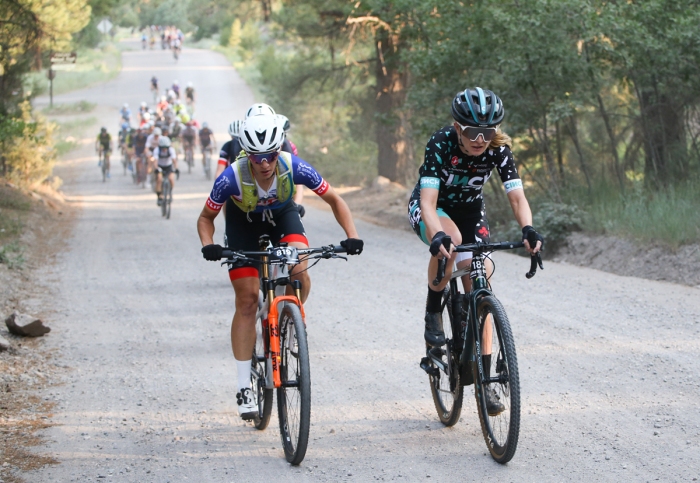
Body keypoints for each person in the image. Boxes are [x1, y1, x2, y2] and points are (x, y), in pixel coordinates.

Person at [197, 112, 364, 419]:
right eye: (257, 157)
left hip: (282, 216)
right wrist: (209, 245)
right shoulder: (231, 177)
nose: (264, 164)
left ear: (279, 151)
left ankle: (289, 322)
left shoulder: (293, 165)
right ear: (247, 153)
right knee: (247, 301)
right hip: (242, 224)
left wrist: (351, 236)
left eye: (271, 156)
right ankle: (243, 384)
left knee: (299, 270)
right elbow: (205, 218)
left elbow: (335, 200)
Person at [407, 87, 544, 415]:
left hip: (470, 211)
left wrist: (528, 228)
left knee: (483, 278)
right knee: (450, 243)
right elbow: (427, 202)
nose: (480, 139)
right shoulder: (441, 142)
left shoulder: (499, 149)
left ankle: (484, 377)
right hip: (432, 207)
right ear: (457, 127)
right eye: (472, 132)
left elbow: (516, 197)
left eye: (488, 131)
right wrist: (437, 234)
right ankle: (432, 313)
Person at [153, 136, 178, 206]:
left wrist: (176, 168)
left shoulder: (171, 150)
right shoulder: (157, 150)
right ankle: (159, 197)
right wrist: (156, 168)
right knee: (159, 179)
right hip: (160, 166)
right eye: (163, 147)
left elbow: (174, 160)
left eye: (166, 147)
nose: (164, 149)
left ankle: (170, 192)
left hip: (168, 166)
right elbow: (155, 161)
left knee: (171, 179)